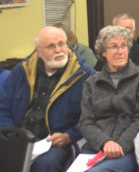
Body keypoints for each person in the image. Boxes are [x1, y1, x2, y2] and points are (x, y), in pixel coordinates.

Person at [0, 26, 95, 172]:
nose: (58, 50)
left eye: (62, 44)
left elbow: (93, 115)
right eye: (51, 46)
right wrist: (10, 135)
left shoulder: (85, 75)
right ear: (38, 51)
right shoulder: (22, 70)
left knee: (45, 165)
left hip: (58, 141)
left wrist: (70, 135)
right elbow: (3, 105)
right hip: (19, 136)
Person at [80, 25, 139, 172]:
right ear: (103, 53)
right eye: (114, 47)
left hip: (129, 148)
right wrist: (105, 142)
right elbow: (85, 122)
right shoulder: (92, 82)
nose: (120, 51)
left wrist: (120, 145)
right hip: (97, 147)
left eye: (124, 46)